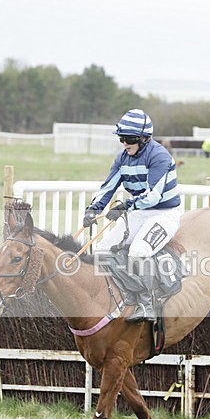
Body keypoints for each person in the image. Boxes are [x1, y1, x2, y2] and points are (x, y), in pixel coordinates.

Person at [83, 109, 181, 324]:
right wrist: (94, 209)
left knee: (138, 251)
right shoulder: (122, 158)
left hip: (164, 214)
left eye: (129, 139)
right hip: (140, 212)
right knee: (102, 251)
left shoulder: (160, 157)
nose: (124, 144)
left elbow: (153, 196)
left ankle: (147, 305)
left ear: (144, 139)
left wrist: (126, 205)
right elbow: (108, 186)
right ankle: (128, 295)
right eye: (121, 139)